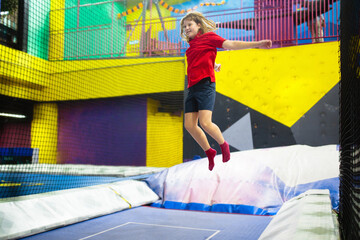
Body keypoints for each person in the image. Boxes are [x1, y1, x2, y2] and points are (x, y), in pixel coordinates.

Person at [180, 12, 272, 171]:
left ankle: (223, 145)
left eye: (190, 25)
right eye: (184, 26)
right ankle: (209, 151)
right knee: (189, 125)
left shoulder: (209, 37)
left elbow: (231, 44)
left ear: (199, 25)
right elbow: (200, 59)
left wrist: (257, 43)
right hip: (192, 87)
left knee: (205, 122)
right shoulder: (191, 47)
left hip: (205, 85)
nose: (187, 28)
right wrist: (214, 63)